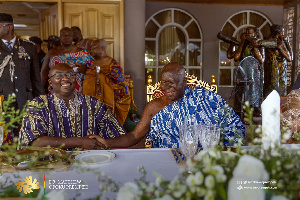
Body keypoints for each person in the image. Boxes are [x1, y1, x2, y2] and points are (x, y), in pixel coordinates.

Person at [90, 63, 245, 148]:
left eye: (171, 84)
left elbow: (233, 125)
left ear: (184, 82)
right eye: (164, 83)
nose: (166, 89)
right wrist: (107, 142)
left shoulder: (206, 98)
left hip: (205, 161)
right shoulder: (153, 107)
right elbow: (134, 136)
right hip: (167, 159)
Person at [19, 63, 127, 150]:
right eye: (58, 75)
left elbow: (117, 135)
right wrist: (80, 142)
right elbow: (34, 142)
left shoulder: (94, 104)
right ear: (50, 82)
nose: (65, 78)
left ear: (76, 79)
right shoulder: (38, 104)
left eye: (70, 74)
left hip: (90, 164)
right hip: (52, 167)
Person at [0, 13, 43, 138]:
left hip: (25, 101)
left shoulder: (28, 47)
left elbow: (36, 78)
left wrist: (39, 102)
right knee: (5, 139)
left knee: (26, 136)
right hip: (4, 102)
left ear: (9, 27)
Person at [82, 39, 131, 125]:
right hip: (89, 100)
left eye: (94, 48)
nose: (90, 50)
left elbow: (121, 83)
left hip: (105, 101)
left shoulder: (112, 64)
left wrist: (102, 78)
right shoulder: (92, 63)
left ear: (103, 49)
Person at [41, 27, 94, 94]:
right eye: (64, 35)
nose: (67, 37)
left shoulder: (81, 52)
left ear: (72, 37)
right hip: (57, 88)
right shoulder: (52, 52)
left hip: (78, 88)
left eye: (69, 35)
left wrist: (85, 68)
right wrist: (41, 87)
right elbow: (44, 72)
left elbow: (93, 67)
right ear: (60, 37)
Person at [227, 27, 265, 117]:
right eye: (247, 33)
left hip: (254, 75)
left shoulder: (259, 45)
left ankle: (251, 113)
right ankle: (238, 113)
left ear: (255, 34)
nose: (248, 35)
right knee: (240, 94)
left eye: (250, 33)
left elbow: (261, 60)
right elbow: (235, 57)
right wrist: (242, 43)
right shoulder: (243, 45)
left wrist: (255, 47)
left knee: (252, 95)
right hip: (242, 73)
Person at [264, 24, 293, 97]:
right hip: (278, 73)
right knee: (278, 95)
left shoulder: (267, 40)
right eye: (283, 32)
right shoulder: (279, 43)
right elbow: (290, 58)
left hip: (270, 71)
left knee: (269, 93)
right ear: (279, 33)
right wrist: (287, 42)